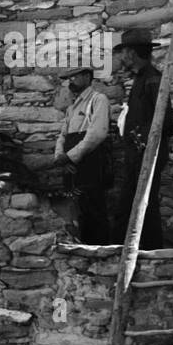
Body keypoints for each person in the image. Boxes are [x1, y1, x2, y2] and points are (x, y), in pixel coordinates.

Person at [116, 30, 173, 249]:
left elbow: (169, 123)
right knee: (132, 203)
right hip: (137, 155)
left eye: (123, 52)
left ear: (132, 54)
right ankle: (132, 249)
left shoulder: (152, 80)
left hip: (148, 155)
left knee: (145, 203)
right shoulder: (141, 80)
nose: (121, 58)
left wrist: (147, 139)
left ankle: (151, 252)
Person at [50, 66, 112, 244]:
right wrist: (60, 157)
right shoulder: (72, 108)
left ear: (87, 77)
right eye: (68, 78)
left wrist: (70, 157)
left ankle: (99, 250)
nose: (70, 81)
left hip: (91, 163)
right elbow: (63, 135)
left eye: (74, 77)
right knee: (76, 208)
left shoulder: (98, 100)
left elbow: (97, 133)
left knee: (94, 207)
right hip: (72, 167)